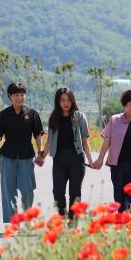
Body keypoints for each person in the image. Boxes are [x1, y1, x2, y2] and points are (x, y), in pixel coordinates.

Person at [0, 82, 44, 223]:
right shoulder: (3, 115)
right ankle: (13, 221)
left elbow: (38, 135)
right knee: (9, 191)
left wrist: (40, 152)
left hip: (26, 155)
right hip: (8, 156)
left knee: (27, 189)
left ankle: (27, 217)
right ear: (10, 96)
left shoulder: (32, 114)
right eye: (16, 95)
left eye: (22, 95)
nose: (19, 98)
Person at [40, 87, 95, 219]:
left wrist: (91, 161)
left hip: (77, 160)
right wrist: (41, 157)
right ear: (57, 102)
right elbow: (49, 141)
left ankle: (72, 220)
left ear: (73, 100)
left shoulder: (80, 117)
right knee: (58, 192)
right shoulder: (54, 117)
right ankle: (62, 215)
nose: (66, 103)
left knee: (75, 193)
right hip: (59, 160)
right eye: (62, 100)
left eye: (68, 100)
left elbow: (85, 141)